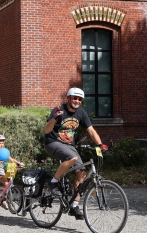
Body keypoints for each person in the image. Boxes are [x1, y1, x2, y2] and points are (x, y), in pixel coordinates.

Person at [44, 87, 107, 220]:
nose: (77, 101)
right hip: (53, 143)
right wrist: (55, 117)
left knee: (82, 174)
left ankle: (74, 205)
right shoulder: (59, 110)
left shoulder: (81, 114)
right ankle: (53, 181)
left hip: (69, 146)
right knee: (72, 157)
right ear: (69, 98)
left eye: (79, 99)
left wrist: (100, 145)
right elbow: (47, 130)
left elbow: (91, 131)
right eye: (74, 98)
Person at [0, 134, 25, 210]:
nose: (2, 145)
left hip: (1, 171)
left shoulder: (4, 152)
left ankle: (3, 200)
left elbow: (12, 159)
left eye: (3, 143)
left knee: (7, 184)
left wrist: (19, 163)